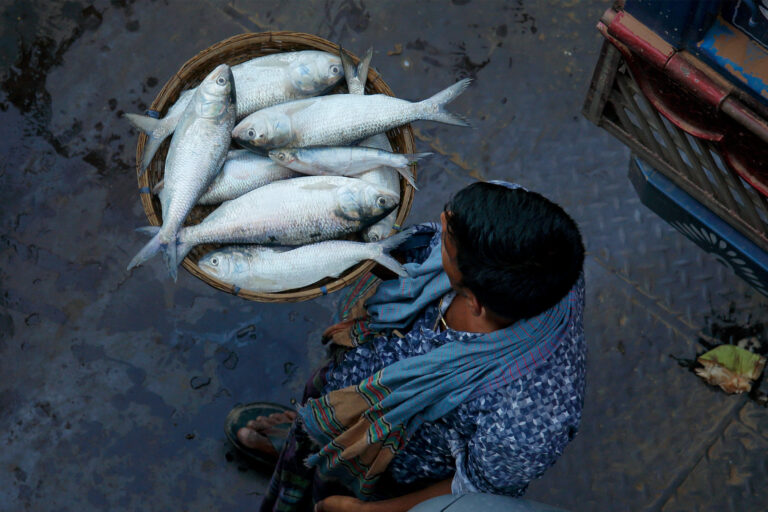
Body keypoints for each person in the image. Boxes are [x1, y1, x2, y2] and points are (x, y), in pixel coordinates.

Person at [228, 181, 586, 512]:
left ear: (475, 302)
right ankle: (310, 438)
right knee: (310, 437)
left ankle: (326, 455)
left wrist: (369, 511)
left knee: (327, 493)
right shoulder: (544, 254)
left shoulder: (531, 418)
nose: (441, 222)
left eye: (447, 240)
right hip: (354, 385)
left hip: (386, 462)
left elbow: (475, 489)